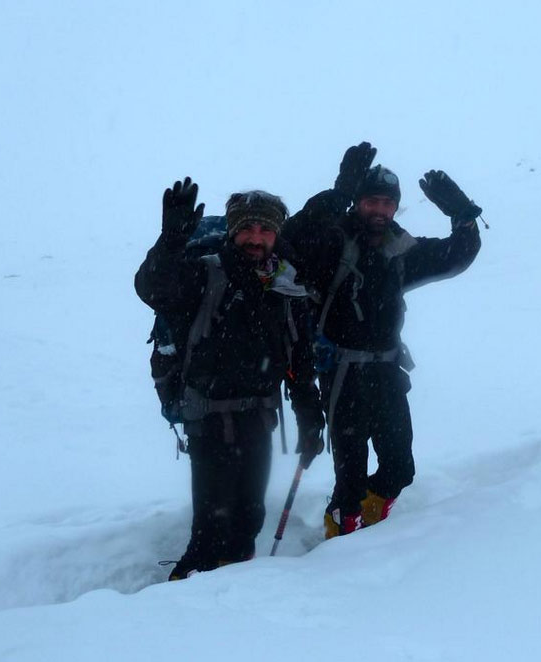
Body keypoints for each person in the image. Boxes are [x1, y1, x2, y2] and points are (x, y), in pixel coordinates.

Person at [282, 142, 482, 538]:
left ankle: (371, 532)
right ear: (358, 202)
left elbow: (455, 257)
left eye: (388, 204)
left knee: (399, 469)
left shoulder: (399, 250)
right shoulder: (330, 243)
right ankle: (343, 536)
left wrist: (463, 216)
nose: (380, 211)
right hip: (341, 374)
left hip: (388, 370)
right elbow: (292, 239)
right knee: (351, 479)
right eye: (372, 201)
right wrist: (337, 193)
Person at [135, 178, 324, 580]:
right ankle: (183, 602)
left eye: (266, 229)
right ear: (234, 230)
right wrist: (170, 241)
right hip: (209, 420)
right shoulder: (203, 275)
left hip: (258, 419)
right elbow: (152, 287)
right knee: (209, 530)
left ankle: (234, 602)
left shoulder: (285, 286)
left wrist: (310, 415)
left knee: (249, 520)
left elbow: (299, 359)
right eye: (248, 228)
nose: (256, 238)